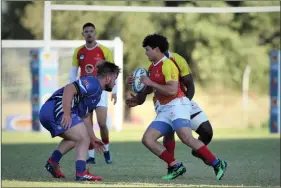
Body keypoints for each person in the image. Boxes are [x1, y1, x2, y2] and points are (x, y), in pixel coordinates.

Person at [126, 34, 227, 180]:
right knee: (148, 139)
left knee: (185, 136)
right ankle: (175, 165)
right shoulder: (152, 67)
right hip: (164, 109)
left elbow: (172, 90)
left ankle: (217, 163)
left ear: (156, 49)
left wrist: (150, 83)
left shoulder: (168, 65)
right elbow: (146, 91)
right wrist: (136, 90)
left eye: (147, 50)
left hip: (178, 104)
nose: (145, 53)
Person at [40, 61, 120, 181]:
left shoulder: (97, 93)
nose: (114, 83)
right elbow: (69, 88)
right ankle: (81, 173)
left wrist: (92, 137)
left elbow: (85, 116)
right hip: (55, 110)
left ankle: (53, 162)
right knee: (83, 138)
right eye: (115, 79)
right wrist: (66, 114)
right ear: (108, 78)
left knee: (77, 137)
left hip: (47, 112)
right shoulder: (93, 82)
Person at [69, 22, 117, 164]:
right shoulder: (79, 51)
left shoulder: (104, 50)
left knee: (102, 123)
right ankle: (91, 156)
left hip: (100, 92)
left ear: (95, 33)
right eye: (86, 31)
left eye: (91, 31)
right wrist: (72, 89)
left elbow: (113, 72)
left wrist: (114, 90)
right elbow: (73, 72)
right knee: (87, 124)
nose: (89, 33)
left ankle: (106, 150)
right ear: (83, 34)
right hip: (84, 92)